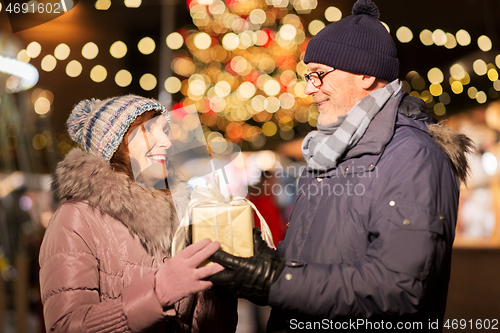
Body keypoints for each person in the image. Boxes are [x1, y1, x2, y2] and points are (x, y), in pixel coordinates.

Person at [209, 0, 474, 332]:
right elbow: (315, 258)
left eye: (319, 75)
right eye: (308, 76)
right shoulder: (329, 151)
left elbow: (400, 288)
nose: (309, 89)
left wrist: (275, 278)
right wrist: (259, 262)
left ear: (366, 74)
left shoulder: (414, 156)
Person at [39, 95, 237, 332]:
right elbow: (65, 326)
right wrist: (158, 294)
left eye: (165, 131)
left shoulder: (185, 216)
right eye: (148, 131)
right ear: (114, 144)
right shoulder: (76, 219)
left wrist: (223, 283)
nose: (165, 141)